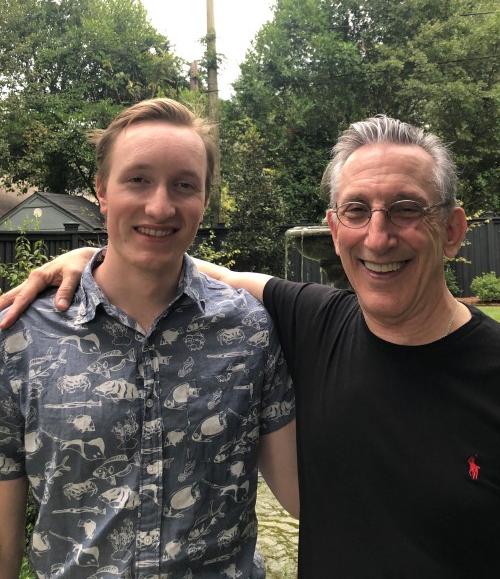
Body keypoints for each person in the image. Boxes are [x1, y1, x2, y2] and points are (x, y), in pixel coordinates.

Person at [2, 114, 500, 578]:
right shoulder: (309, 321)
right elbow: (180, 258)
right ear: (334, 226)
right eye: (357, 211)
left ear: (453, 228)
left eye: (407, 209)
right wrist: (91, 256)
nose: (379, 235)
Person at [0, 98, 297, 579]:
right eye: (138, 179)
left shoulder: (249, 329)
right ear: (101, 191)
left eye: (184, 185)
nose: (160, 206)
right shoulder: (22, 337)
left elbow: (301, 493)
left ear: (204, 199)